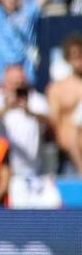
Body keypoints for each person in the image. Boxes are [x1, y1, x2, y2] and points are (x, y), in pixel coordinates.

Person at [0, 63, 47, 177]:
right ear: (4, 83)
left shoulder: (37, 100)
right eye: (13, 83)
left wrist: (29, 111)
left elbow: (47, 123)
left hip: (31, 171)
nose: (18, 87)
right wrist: (7, 107)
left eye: (21, 83)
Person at [46, 35, 82, 174]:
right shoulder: (58, 89)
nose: (80, 60)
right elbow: (54, 124)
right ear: (67, 59)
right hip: (69, 159)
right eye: (75, 55)